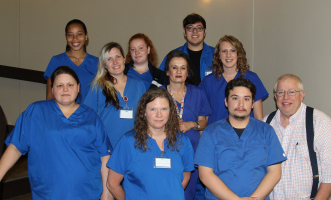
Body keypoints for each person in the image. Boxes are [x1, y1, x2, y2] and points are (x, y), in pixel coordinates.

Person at [0, 66, 112, 200]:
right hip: (49, 192)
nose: (65, 89)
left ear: (78, 87)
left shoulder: (91, 116)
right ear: (52, 89)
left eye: (70, 84)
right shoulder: (36, 112)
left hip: (87, 192)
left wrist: (107, 193)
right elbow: (15, 148)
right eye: (59, 85)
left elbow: (104, 156)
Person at [194, 77, 286, 200]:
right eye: (235, 98)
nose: (241, 104)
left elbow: (275, 172)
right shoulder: (211, 133)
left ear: (253, 103)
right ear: (226, 102)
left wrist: (254, 198)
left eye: (246, 99)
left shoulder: (266, 131)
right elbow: (205, 174)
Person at [262, 74, 331, 200]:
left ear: (301, 95)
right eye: (281, 92)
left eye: (291, 92)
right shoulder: (265, 124)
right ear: (275, 96)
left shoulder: (320, 123)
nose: (286, 97)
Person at [106, 88, 194, 200]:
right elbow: (112, 184)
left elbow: (185, 177)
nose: (159, 115)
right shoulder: (128, 142)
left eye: (164, 109)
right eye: (153, 109)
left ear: (170, 111)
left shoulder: (182, 141)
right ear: (144, 112)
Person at [160, 50, 212, 200]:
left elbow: (204, 123)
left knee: (188, 193)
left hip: (193, 152)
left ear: (188, 72)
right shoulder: (158, 94)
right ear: (167, 71)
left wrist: (191, 125)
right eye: (174, 67)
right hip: (165, 151)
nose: (178, 71)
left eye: (183, 68)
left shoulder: (198, 93)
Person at [84, 42, 146, 148]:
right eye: (109, 59)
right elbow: (87, 119)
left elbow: (146, 117)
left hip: (134, 147)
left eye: (118, 57)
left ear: (124, 59)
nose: (115, 62)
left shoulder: (138, 85)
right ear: (104, 65)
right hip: (106, 148)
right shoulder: (97, 87)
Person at [199, 35, 268, 122]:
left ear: (238, 54)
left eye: (232, 51)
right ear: (218, 55)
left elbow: (258, 117)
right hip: (217, 134)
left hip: (245, 133)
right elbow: (203, 117)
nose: (228, 55)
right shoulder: (208, 82)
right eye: (224, 51)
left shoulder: (252, 78)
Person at [44, 19, 98, 103]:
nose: (75, 39)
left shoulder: (96, 62)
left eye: (79, 34)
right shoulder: (57, 60)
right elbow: (49, 96)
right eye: (70, 35)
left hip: (89, 114)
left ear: (86, 36)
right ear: (66, 37)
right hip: (62, 114)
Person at [159, 13, 215, 86]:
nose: (195, 31)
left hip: (209, 97)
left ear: (205, 32)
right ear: (184, 32)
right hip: (180, 97)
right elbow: (160, 80)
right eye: (190, 28)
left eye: (199, 28)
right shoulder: (173, 56)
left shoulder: (216, 55)